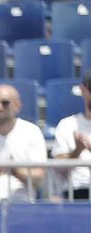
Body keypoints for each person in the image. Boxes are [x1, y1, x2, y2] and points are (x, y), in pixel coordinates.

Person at [51, 72, 91, 201]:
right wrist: (77, 151)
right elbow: (58, 166)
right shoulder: (67, 125)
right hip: (75, 193)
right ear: (83, 89)